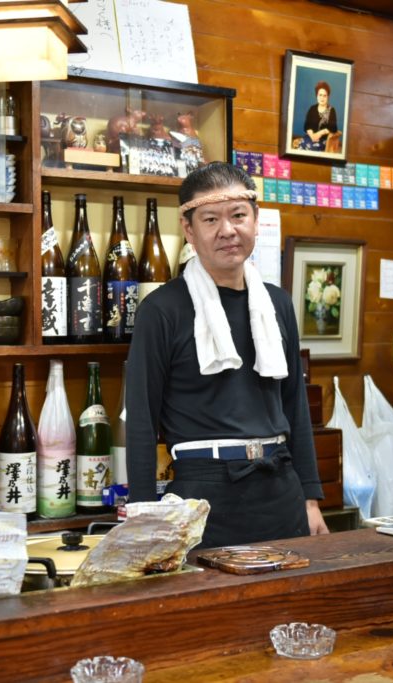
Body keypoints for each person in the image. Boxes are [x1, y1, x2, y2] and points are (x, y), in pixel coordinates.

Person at [126, 162, 328, 548]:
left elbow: (295, 408)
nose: (227, 230)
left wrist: (310, 498)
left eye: (238, 215)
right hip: (202, 497)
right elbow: (141, 421)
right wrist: (142, 517)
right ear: (189, 228)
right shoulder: (162, 310)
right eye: (210, 219)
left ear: (255, 220)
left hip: (280, 488)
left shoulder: (277, 303)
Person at [300, 80, 338, 151]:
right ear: (316, 96)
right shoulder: (312, 108)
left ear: (328, 97)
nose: (322, 98)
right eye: (320, 95)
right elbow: (306, 126)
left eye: (324, 96)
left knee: (312, 148)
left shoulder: (331, 110)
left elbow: (333, 128)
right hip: (310, 137)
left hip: (323, 140)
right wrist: (312, 136)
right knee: (302, 146)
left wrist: (319, 133)